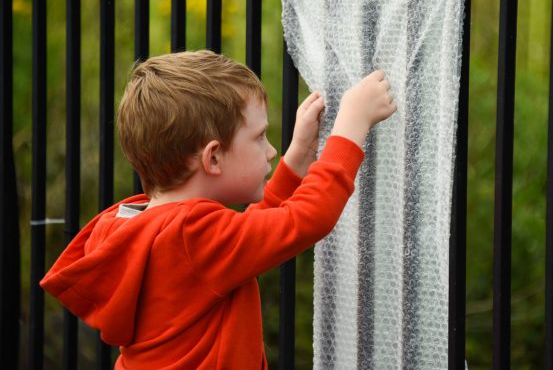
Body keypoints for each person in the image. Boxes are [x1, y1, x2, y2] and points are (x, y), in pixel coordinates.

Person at [40, 50, 396, 369]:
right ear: (213, 157)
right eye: (259, 137)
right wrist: (352, 124)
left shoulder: (137, 223)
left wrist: (297, 158)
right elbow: (305, 219)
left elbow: (244, 239)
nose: (270, 150)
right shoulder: (190, 235)